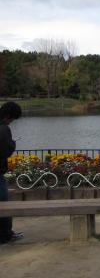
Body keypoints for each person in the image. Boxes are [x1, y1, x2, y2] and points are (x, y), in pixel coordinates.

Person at [0, 101, 23, 244]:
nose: (12, 122)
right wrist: (13, 143)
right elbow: (6, 150)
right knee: (3, 204)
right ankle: (6, 235)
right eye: (13, 119)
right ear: (8, 116)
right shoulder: (3, 129)